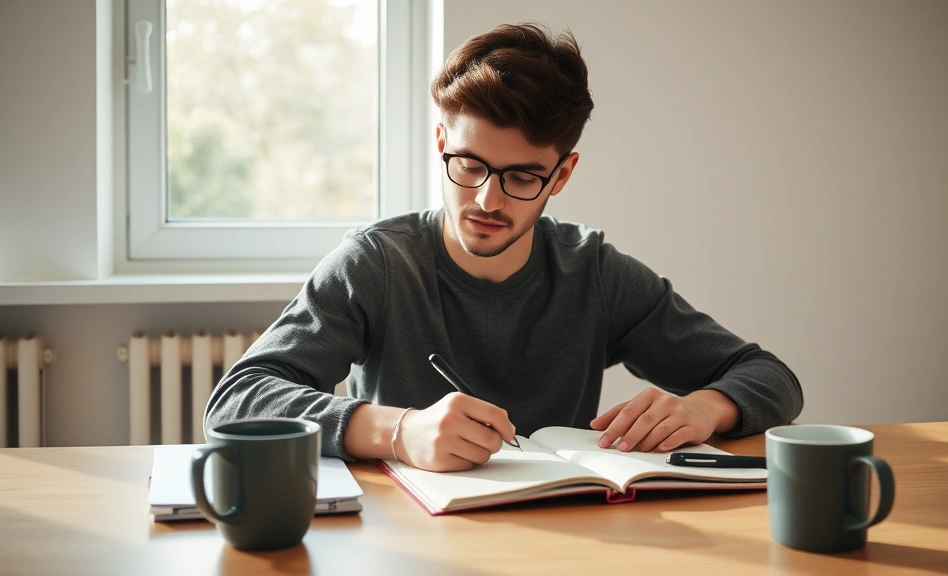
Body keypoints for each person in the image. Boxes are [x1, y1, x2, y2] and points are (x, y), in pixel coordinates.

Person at [205, 23, 802, 472]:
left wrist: (706, 409)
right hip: (403, 538)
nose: (488, 201)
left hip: (561, 537)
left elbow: (770, 377)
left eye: (521, 177)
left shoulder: (592, 273)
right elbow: (235, 402)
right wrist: (397, 431)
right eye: (468, 165)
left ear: (561, 176)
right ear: (441, 141)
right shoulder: (378, 265)